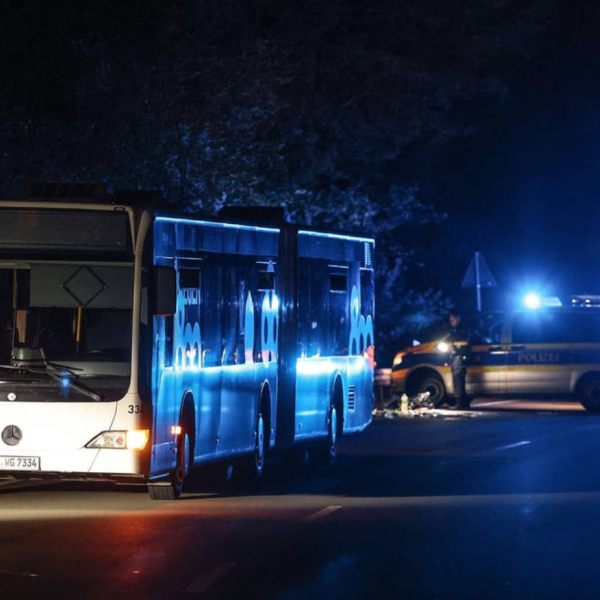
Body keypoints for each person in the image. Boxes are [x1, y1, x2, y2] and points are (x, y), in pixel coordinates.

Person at [447, 312, 470, 409]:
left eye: (453, 319)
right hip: (456, 356)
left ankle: (460, 403)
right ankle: (463, 403)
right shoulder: (454, 330)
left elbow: (466, 342)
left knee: (458, 380)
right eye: (450, 319)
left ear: (458, 318)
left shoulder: (462, 329)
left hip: (459, 357)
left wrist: (453, 344)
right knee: (458, 380)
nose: (451, 321)